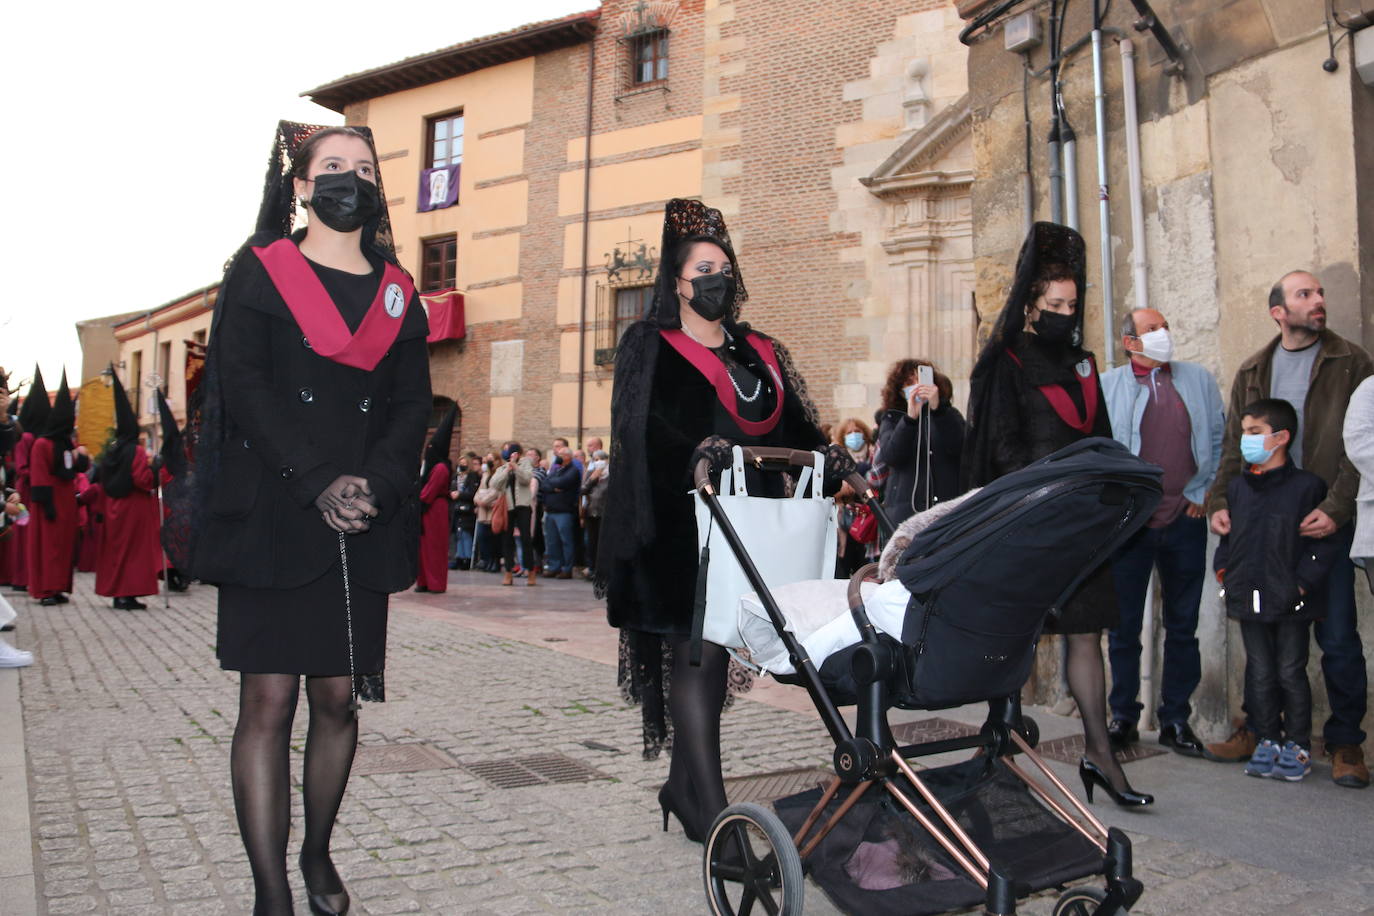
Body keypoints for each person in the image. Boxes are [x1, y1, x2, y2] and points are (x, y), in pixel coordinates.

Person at [189, 121, 431, 916]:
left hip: (361, 519)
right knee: (267, 705)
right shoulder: (260, 272)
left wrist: (383, 485)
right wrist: (318, 477)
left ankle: (318, 852)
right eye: (332, 167)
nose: (348, 179)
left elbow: (410, 406)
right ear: (299, 186)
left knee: (337, 701)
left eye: (363, 168)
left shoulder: (399, 292)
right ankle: (270, 892)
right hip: (275, 511)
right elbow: (243, 386)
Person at [600, 198, 826, 841]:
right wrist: (696, 451)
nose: (716, 279)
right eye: (703, 267)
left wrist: (827, 450)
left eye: (724, 267)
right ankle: (713, 813)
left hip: (749, 528)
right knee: (699, 662)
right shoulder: (651, 345)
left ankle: (680, 787)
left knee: (715, 662)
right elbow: (639, 429)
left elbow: (796, 425)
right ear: (677, 279)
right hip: (679, 532)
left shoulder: (759, 350)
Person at [965, 221, 1152, 808]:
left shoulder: (1086, 363)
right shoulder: (1007, 362)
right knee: (1014, 638)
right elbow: (1002, 447)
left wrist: (1101, 488)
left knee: (1085, 636)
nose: (1065, 314)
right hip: (1029, 520)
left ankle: (1100, 754)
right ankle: (1002, 743)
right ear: (1029, 305)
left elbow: (1101, 436)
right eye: (1054, 304)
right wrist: (1053, 489)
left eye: (1073, 304)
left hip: (1082, 525)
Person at [1204, 269, 1371, 789]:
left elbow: (1361, 443)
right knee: (1263, 645)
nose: (1318, 301)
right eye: (1305, 295)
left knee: (1339, 637)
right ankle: (1260, 730)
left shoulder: (1353, 362)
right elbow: (1235, 443)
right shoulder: (1254, 368)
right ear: (1279, 311)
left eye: (1319, 293)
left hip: (1325, 523)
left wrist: (1338, 507)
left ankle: (1345, 743)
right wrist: (1217, 502)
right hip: (1262, 526)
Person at [1099, 308, 1225, 756]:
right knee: (1123, 627)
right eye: (1152, 329)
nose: (1164, 333)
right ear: (1130, 342)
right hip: (1130, 525)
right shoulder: (1108, 385)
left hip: (1184, 519)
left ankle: (1175, 719)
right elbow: (1099, 450)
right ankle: (1123, 718)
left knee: (1182, 625)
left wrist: (1203, 491)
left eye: (1165, 325)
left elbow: (1216, 437)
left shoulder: (1198, 380)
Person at [1214, 399, 1343, 781]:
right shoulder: (1237, 489)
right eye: (1244, 433)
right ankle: (1267, 738)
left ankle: (1298, 744)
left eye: (1255, 432)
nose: (1246, 440)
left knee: (1290, 670)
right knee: (1259, 672)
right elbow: (1228, 540)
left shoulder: (1307, 487)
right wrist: (1225, 574)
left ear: (1282, 438)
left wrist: (1300, 584)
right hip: (1247, 598)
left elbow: (1323, 544)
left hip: (1291, 602)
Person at [92, 373, 171, 610]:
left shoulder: (114, 450)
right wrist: (156, 470)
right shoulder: (135, 452)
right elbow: (142, 480)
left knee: (117, 550)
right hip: (133, 507)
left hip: (114, 505)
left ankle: (119, 593)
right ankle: (128, 593)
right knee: (133, 552)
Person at [873, 360, 965, 528]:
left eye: (920, 381)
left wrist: (939, 410)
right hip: (906, 512)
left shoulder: (948, 414)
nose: (916, 386)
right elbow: (892, 456)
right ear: (900, 390)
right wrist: (909, 420)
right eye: (909, 383)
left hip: (945, 508)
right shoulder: (892, 419)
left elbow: (960, 446)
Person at [28, 372, 87, 607]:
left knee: (63, 547)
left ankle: (60, 586)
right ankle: (46, 589)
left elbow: (75, 469)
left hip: (66, 500)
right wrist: (47, 503)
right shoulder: (42, 444)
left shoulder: (65, 443)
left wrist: (81, 458)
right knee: (49, 547)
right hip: (50, 502)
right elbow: (39, 476)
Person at [9, 368, 49, 595]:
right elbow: (23, 467)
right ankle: (21, 577)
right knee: (24, 535)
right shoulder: (25, 438)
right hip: (26, 490)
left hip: (35, 488)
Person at [415, 406, 455, 594]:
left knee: (434, 548)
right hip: (428, 510)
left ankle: (436, 583)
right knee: (424, 547)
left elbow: (429, 492)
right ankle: (423, 580)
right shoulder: (434, 466)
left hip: (435, 509)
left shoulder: (440, 468)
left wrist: (418, 500)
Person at [488, 442, 534, 586]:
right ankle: (508, 572)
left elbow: (526, 479)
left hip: (523, 507)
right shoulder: (503, 467)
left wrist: (516, 467)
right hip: (508, 508)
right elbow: (494, 484)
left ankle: (530, 572)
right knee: (507, 540)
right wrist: (508, 469)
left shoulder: (526, 463)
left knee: (526, 539)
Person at [540, 440, 580, 579]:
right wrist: (554, 488)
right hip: (551, 511)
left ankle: (567, 568)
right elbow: (544, 484)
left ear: (568, 456)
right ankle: (554, 566)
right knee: (552, 542)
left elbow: (563, 483)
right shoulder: (556, 469)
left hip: (564, 511)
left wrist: (553, 485)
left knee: (566, 541)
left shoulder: (573, 470)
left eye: (561, 453)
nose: (557, 454)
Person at [581, 448, 609, 579]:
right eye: (596, 460)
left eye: (601, 460)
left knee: (602, 543)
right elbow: (583, 490)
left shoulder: (612, 474)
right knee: (591, 543)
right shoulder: (592, 473)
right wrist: (593, 478)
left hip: (605, 514)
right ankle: (592, 568)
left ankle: (603, 570)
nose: (598, 462)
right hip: (591, 512)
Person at [449, 452, 480, 570]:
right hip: (456, 508)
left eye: (464, 463)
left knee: (466, 534)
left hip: (467, 509)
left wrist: (460, 495)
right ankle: (459, 557)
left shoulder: (472, 476)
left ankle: (467, 558)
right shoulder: (455, 476)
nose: (462, 466)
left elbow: (472, 492)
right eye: (460, 463)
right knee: (458, 534)